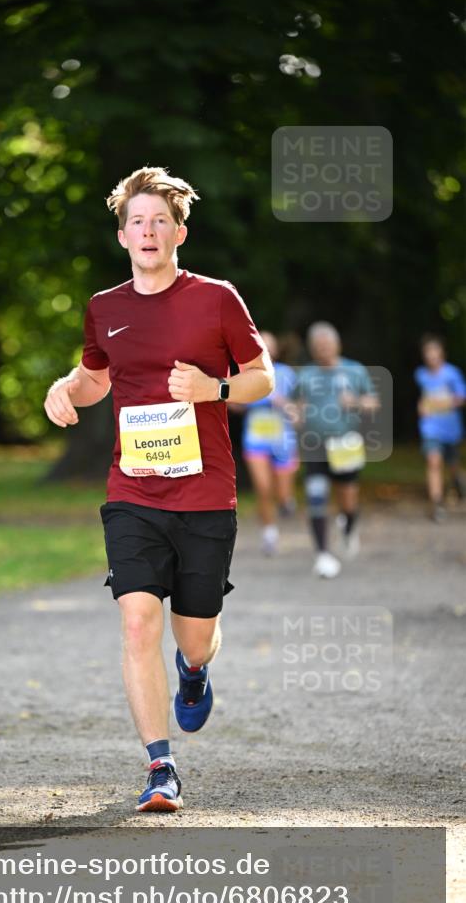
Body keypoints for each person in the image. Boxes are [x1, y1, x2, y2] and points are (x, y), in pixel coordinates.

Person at [44, 166, 273, 812]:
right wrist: (64, 390)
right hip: (133, 489)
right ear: (122, 236)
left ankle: (194, 671)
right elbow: (94, 378)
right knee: (138, 620)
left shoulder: (216, 299)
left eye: (159, 221)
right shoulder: (104, 308)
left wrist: (214, 389)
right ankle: (159, 766)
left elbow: (261, 378)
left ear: (179, 231)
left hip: (205, 491)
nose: (148, 231)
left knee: (192, 634)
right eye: (136, 221)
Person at [292, 321, 379, 579]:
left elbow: (373, 402)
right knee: (316, 498)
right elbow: (296, 404)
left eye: (327, 345)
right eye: (318, 346)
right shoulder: (305, 375)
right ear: (312, 349)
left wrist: (357, 402)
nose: (323, 350)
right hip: (315, 445)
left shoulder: (354, 370)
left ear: (337, 345)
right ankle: (322, 555)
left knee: (348, 498)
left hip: (346, 443)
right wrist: (296, 414)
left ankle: (348, 525)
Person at [233, 331, 298, 556]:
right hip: (256, 439)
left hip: (283, 440)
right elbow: (235, 404)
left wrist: (285, 404)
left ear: (277, 350)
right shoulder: (246, 373)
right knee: (263, 488)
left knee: (283, 495)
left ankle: (285, 501)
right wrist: (228, 395)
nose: (266, 351)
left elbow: (299, 408)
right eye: (262, 346)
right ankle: (269, 534)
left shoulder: (287, 374)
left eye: (270, 347)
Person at [414, 333, 466, 522]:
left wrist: (442, 403)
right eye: (427, 352)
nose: (431, 356)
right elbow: (424, 397)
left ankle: (457, 482)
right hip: (430, 427)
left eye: (434, 351)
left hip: (450, 427)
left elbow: (461, 397)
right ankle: (437, 504)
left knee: (452, 464)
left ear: (441, 352)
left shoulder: (452, 373)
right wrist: (422, 406)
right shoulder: (421, 374)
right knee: (433, 462)